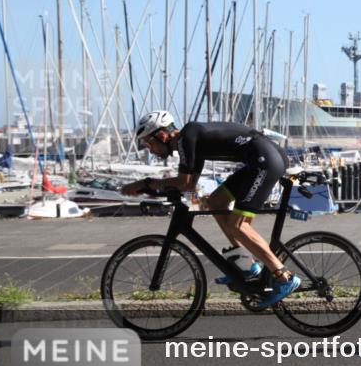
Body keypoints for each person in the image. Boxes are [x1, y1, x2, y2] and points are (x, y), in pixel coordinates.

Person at [120, 111, 300, 307]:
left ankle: (284, 276)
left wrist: (146, 183)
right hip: (260, 160)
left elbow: (183, 181)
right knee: (215, 203)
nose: (149, 149)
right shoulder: (190, 143)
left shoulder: (188, 137)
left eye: (148, 143)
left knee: (239, 225)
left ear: (162, 136)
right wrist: (150, 187)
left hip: (265, 161)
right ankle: (245, 264)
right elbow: (188, 185)